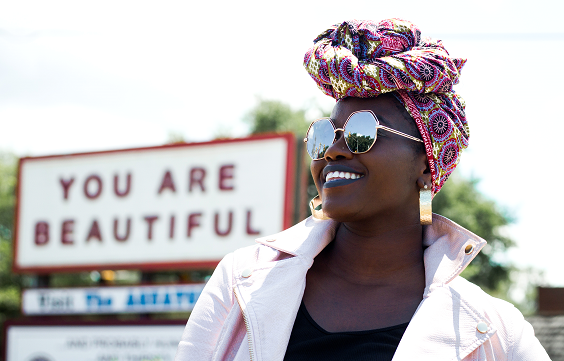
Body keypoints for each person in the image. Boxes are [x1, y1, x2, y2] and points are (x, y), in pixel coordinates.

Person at [175, 19, 550, 361]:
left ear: (425, 164)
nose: (334, 150)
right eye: (324, 134)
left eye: (362, 133)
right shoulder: (241, 281)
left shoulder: (495, 331)